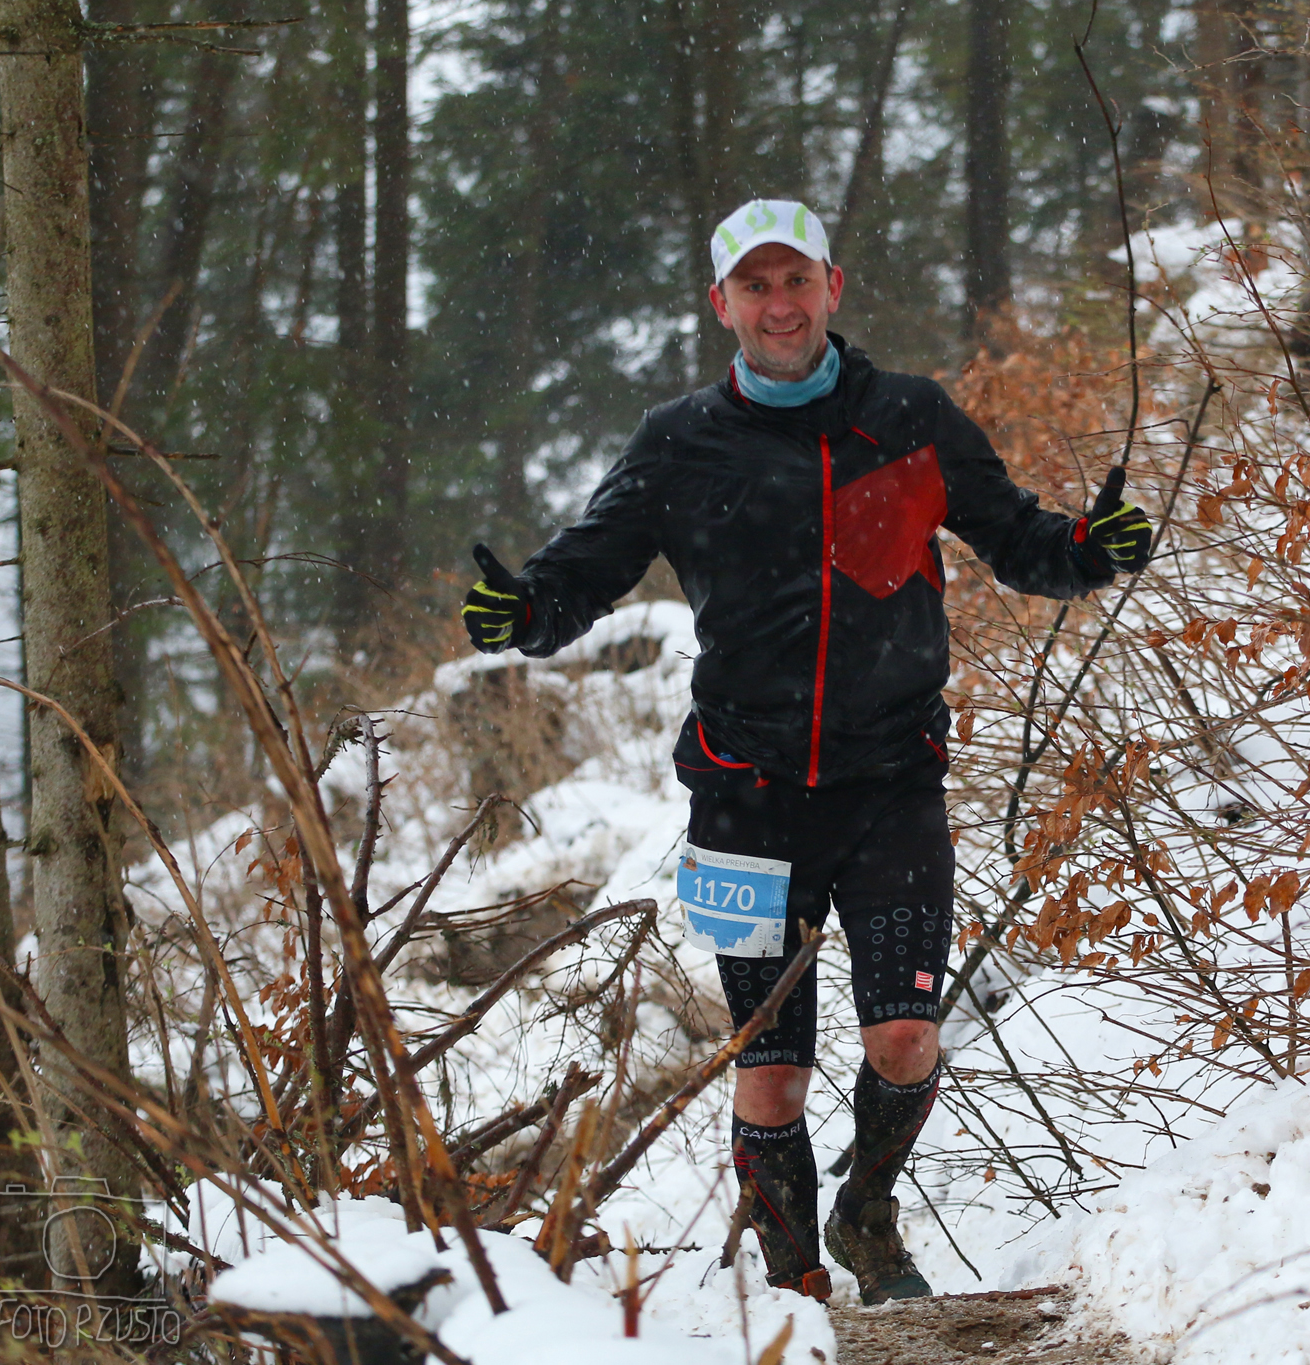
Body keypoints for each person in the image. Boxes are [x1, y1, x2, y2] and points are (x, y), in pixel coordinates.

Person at [460, 199, 1152, 1304]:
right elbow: (581, 572)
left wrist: (1088, 549)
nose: (777, 305)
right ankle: (796, 1285)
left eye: (796, 281)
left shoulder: (910, 418)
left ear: (833, 287)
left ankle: (865, 1215)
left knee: (905, 1042)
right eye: (755, 286)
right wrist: (525, 613)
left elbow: (1018, 539)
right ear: (720, 303)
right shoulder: (678, 440)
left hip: (891, 786)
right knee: (770, 1078)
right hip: (746, 798)